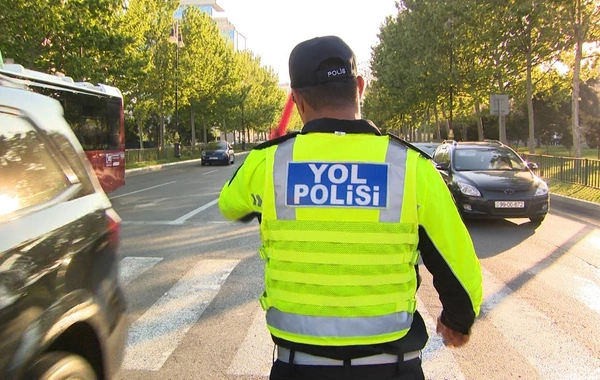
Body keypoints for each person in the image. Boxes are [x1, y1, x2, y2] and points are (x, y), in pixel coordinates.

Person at [218, 35, 483, 380]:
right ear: (359, 87)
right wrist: (458, 319)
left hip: (298, 368)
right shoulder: (413, 168)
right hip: (391, 370)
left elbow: (230, 204)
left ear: (296, 100)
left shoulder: (267, 164)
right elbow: (457, 261)